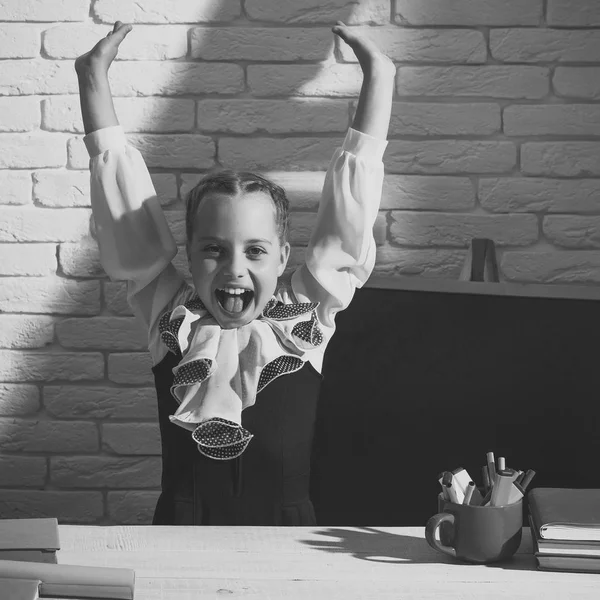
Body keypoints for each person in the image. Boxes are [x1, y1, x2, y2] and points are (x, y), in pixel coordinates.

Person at [75, 20, 395, 525]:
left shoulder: (304, 320)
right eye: (214, 250)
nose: (235, 269)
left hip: (289, 546)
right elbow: (127, 220)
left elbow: (346, 221)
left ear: (285, 256)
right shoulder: (170, 316)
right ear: (188, 252)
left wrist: (380, 77)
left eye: (256, 251)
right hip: (182, 537)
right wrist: (92, 78)